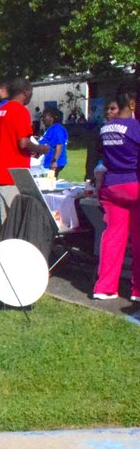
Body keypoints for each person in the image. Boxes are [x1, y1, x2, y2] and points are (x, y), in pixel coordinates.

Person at [91, 89, 140, 300]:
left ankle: (104, 287)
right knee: (137, 238)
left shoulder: (105, 129)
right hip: (133, 183)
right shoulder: (135, 127)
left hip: (111, 186)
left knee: (112, 236)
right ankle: (137, 290)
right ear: (131, 104)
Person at [0, 77, 49, 207]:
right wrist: (42, 148)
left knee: (0, 222)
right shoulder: (20, 110)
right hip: (12, 175)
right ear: (26, 92)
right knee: (13, 221)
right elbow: (23, 143)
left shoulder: (0, 111)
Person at [38, 108, 69, 178]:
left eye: (44, 117)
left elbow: (59, 145)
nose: (43, 119)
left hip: (53, 162)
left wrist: (54, 161)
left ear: (52, 118)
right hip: (47, 162)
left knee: (49, 184)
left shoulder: (57, 128)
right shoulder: (50, 129)